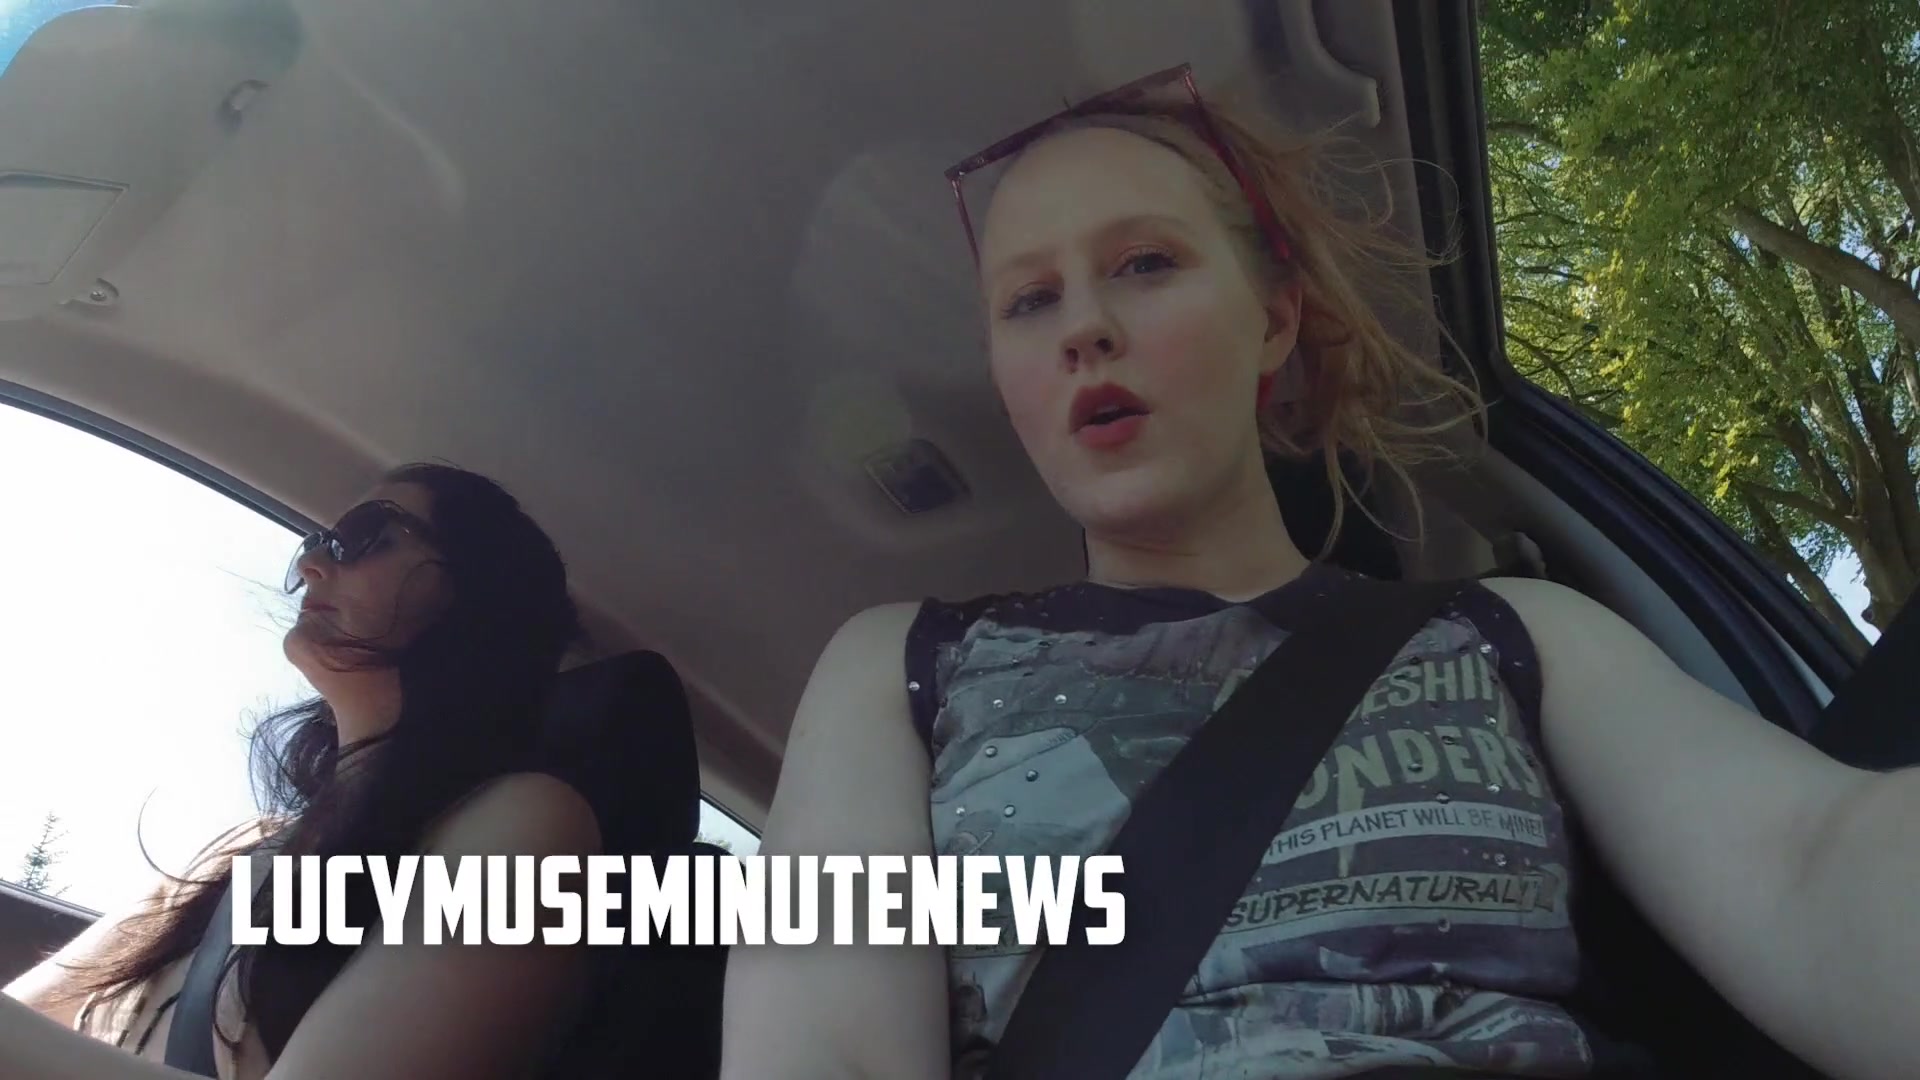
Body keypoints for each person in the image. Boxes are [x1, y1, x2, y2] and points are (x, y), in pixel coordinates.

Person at [721, 67, 1920, 1080]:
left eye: (1144, 263)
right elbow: (822, 1047)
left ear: (1275, 318)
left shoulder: (1513, 632)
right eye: (1029, 300)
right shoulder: (899, 668)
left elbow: (1808, 861)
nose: (1082, 325)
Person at [4, 463, 602, 1079]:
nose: (312, 563)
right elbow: (35, 1011)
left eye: (366, 536)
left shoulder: (528, 821)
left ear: (478, 596)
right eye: (316, 543)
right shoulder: (235, 851)